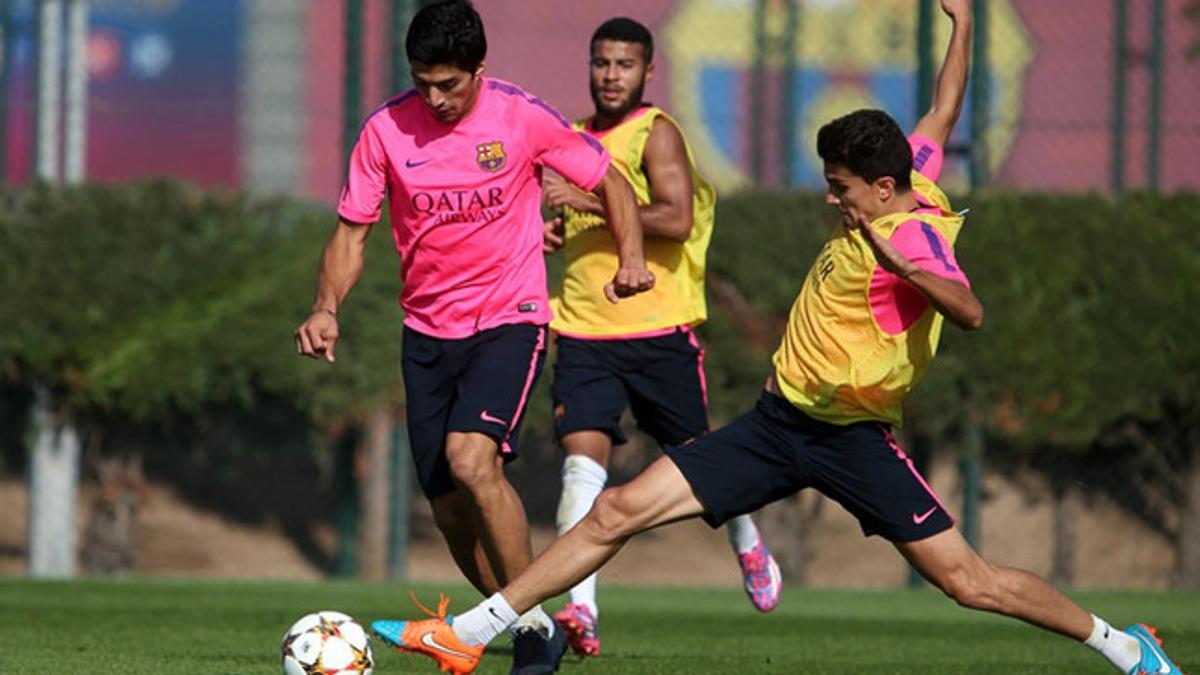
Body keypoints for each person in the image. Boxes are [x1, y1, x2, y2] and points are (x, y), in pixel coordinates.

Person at [369, 2, 1187, 674]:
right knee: (616, 508)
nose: (834, 201)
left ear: (886, 188)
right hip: (775, 425)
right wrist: (962, 31)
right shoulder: (914, 169)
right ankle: (477, 631)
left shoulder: (915, 236)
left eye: (843, 191)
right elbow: (941, 109)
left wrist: (885, 249)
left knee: (969, 582)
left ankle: (1123, 645)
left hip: (853, 440)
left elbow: (967, 311)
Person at [292, 1, 654, 673]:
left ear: (479, 70)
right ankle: (533, 626)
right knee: (452, 512)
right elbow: (351, 231)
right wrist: (325, 306)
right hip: (427, 332)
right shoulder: (385, 131)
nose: (436, 98)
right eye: (424, 82)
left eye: (450, 85)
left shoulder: (519, 116)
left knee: (471, 457)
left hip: (509, 318)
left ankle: (527, 637)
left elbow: (610, 180)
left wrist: (631, 258)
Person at [538, 17, 781, 658]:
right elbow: (571, 219)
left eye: (623, 64)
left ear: (648, 72)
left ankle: (746, 539)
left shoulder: (657, 132)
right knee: (579, 468)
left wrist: (588, 203)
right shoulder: (570, 136)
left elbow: (673, 217)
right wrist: (552, 231)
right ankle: (581, 612)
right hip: (584, 327)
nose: (610, 75)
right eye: (601, 62)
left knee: (698, 460)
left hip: (657, 328)